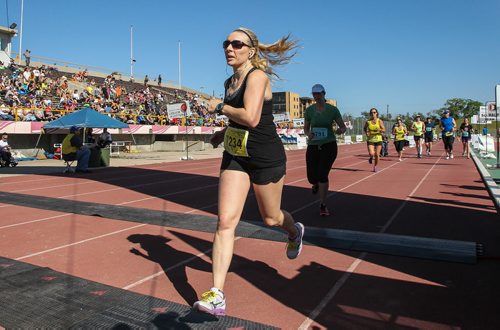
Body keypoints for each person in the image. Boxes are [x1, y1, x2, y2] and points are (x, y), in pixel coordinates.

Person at [193, 27, 303, 316]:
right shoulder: (230, 80)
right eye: (225, 43)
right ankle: (217, 294)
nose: (229, 48)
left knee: (271, 217)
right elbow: (237, 119)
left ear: (251, 50)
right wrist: (223, 132)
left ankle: (294, 231)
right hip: (236, 155)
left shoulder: (257, 76)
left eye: (236, 44)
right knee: (225, 221)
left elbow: (252, 118)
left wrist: (219, 106)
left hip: (265, 157)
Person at [304, 84, 346, 216]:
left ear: (324, 94)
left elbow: (343, 127)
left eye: (318, 94)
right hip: (313, 145)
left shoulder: (332, 110)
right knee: (312, 177)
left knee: (323, 174)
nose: (316, 96)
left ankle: (323, 204)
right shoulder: (309, 110)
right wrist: (308, 134)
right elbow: (306, 128)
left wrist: (340, 130)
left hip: (329, 145)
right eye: (314, 94)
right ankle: (315, 183)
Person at [364, 108, 386, 172]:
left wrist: (380, 130)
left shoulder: (379, 121)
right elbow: (365, 128)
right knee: (371, 153)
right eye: (371, 112)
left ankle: (375, 166)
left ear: (376, 113)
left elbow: (384, 130)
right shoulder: (368, 122)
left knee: (377, 154)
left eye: (374, 112)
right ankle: (371, 157)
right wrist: (366, 133)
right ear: (370, 114)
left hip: (378, 139)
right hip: (370, 139)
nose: (373, 114)